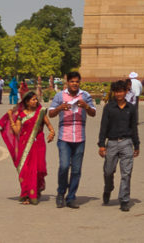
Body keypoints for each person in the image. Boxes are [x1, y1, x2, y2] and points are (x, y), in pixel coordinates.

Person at [47, 71, 97, 209]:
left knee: (76, 170)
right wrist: (60, 108)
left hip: (80, 137)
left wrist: (86, 106)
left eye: (77, 81)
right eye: (72, 81)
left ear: (79, 83)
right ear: (67, 82)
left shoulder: (85, 96)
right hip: (64, 137)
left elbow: (93, 113)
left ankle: (71, 197)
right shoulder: (60, 96)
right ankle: (60, 193)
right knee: (64, 166)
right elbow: (50, 114)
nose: (74, 84)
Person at [0, 91, 56, 204]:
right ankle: (28, 195)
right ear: (27, 102)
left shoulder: (41, 112)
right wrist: (10, 117)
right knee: (26, 170)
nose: (36, 101)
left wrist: (52, 133)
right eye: (33, 99)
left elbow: (49, 125)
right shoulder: (21, 116)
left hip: (38, 144)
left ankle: (37, 189)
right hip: (24, 147)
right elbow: (16, 131)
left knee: (38, 168)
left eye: (36, 99)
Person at [98, 80, 140, 211]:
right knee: (108, 171)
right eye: (116, 92)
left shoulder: (131, 109)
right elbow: (103, 127)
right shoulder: (109, 108)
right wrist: (101, 145)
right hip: (111, 142)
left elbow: (134, 127)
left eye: (121, 91)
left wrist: (136, 145)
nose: (119, 94)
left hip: (127, 142)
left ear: (126, 92)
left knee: (126, 173)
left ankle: (124, 199)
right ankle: (108, 188)